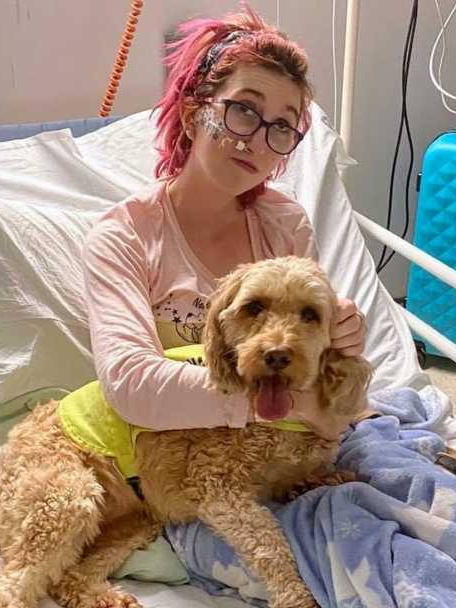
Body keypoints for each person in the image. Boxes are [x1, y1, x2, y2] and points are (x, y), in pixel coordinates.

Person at [81, 6, 366, 435]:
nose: (258, 141)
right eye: (245, 111)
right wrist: (292, 406)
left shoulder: (287, 226)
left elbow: (323, 387)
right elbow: (131, 385)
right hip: (167, 463)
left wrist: (340, 339)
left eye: (282, 127)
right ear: (194, 114)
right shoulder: (125, 238)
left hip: (273, 458)